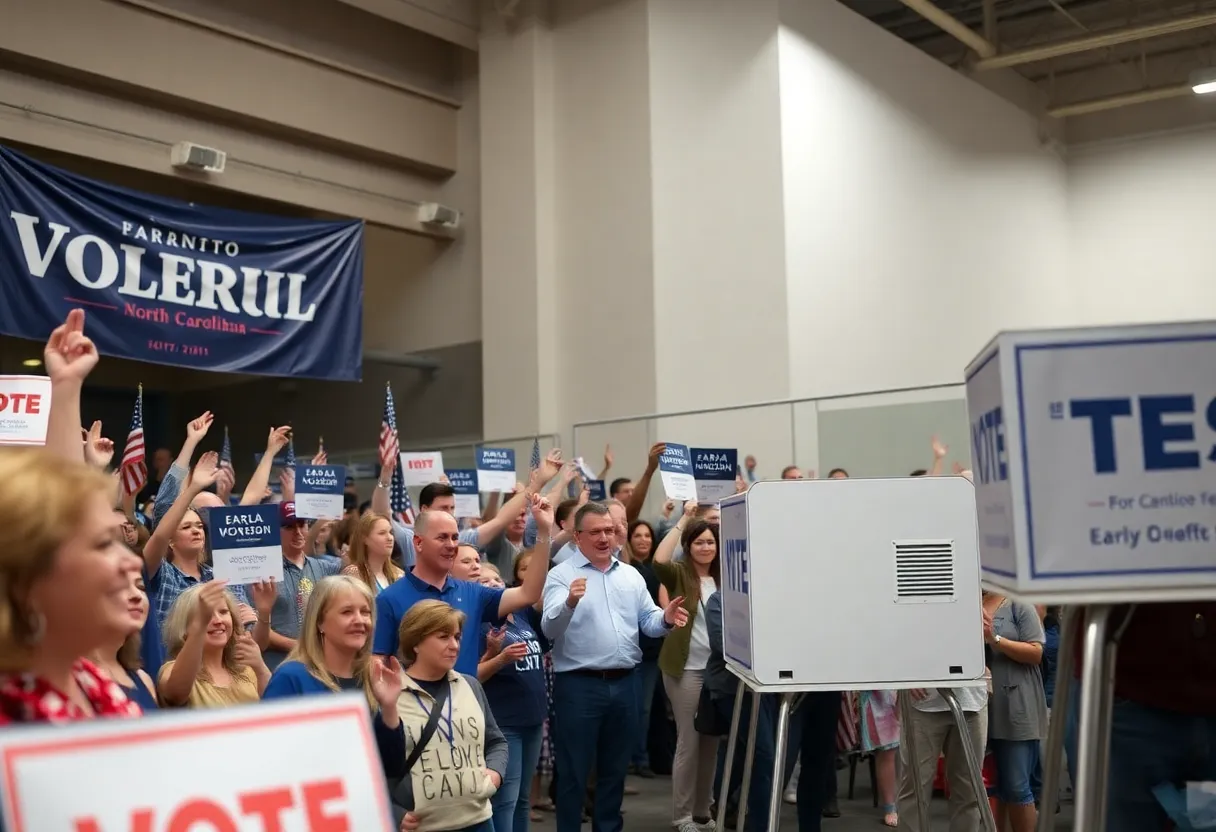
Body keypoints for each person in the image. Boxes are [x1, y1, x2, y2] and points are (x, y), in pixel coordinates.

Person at [0, 309, 145, 724]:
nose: (133, 562)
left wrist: (65, 389)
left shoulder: (87, 678)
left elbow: (62, 507)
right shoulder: (12, 713)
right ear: (29, 572)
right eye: (103, 544)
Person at [541, 502, 690, 832]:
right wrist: (568, 603)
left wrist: (665, 619)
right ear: (578, 537)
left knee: (614, 771)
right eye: (595, 532)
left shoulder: (631, 575)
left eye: (609, 530)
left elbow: (648, 622)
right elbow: (549, 629)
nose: (605, 538)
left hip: (626, 684)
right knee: (573, 773)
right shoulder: (561, 575)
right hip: (578, 687)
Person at [373, 495, 554, 675]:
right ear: (418, 543)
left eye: (454, 538)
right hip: (416, 701)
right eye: (442, 538)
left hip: (466, 700)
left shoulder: (473, 593)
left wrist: (544, 531)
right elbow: (378, 665)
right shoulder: (389, 599)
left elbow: (529, 594)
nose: (451, 545)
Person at [262, 575, 406, 776]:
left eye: (366, 612)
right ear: (320, 622)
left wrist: (389, 706)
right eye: (347, 612)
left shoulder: (373, 679)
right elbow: (270, 761)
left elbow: (392, 770)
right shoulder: (291, 678)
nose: (360, 620)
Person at [391, 600, 509, 832]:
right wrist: (393, 812)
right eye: (443, 637)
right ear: (416, 642)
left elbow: (496, 741)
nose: (454, 645)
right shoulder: (391, 695)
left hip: (479, 821)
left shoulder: (470, 685)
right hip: (422, 826)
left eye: (456, 636)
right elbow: (371, 767)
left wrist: (495, 774)